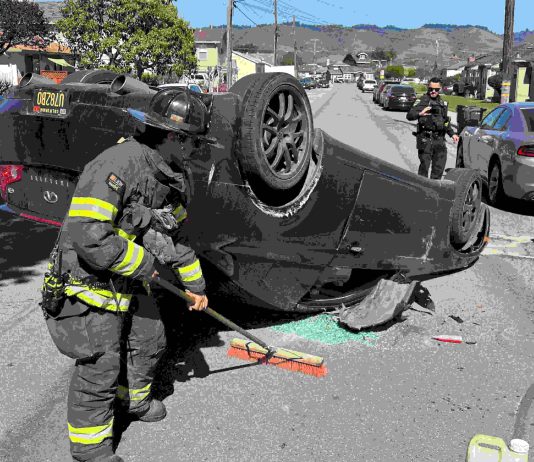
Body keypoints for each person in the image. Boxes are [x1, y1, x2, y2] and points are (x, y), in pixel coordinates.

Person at [41, 88, 216, 462]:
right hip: (91, 279)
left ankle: (133, 401)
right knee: (100, 362)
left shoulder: (172, 176)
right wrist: (143, 264)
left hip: (133, 276)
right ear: (172, 135)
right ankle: (91, 448)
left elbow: (177, 237)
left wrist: (195, 287)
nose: (196, 150)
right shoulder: (116, 165)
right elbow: (88, 231)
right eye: (193, 141)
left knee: (150, 339)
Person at [407, 77, 459, 179]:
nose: (433, 91)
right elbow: (409, 115)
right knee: (424, 168)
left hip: (439, 139)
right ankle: (421, 190)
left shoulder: (442, 103)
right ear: (428, 88)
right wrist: (420, 113)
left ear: (440, 89)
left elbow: (445, 122)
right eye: (431, 89)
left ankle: (434, 192)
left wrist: (452, 134)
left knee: (439, 168)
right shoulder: (422, 100)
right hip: (426, 139)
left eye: (436, 89)